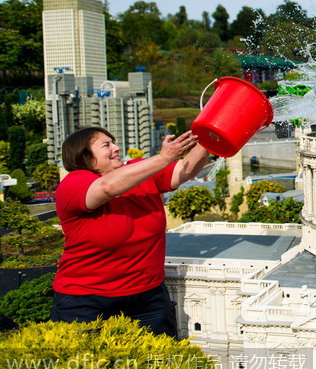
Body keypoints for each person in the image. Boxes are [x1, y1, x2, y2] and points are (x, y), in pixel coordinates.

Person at [50, 126, 209, 337]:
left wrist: (210, 137)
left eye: (114, 142)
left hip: (147, 297)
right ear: (84, 156)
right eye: (106, 145)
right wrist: (163, 158)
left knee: (159, 363)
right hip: (85, 301)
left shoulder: (139, 172)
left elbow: (186, 170)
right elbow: (106, 188)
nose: (116, 148)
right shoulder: (73, 184)